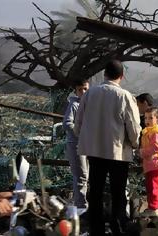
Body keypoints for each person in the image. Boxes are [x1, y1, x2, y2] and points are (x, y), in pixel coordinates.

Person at [74, 60, 141, 236]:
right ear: (121, 76)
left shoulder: (90, 94)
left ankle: (96, 230)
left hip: (94, 151)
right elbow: (133, 127)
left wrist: (85, 138)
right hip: (117, 152)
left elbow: (78, 123)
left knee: (95, 190)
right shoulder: (124, 96)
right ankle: (117, 227)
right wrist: (135, 144)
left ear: (104, 74)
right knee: (118, 192)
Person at [136, 93, 158, 211]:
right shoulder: (150, 128)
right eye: (146, 118)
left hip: (155, 161)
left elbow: (156, 146)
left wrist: (142, 153)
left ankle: (154, 207)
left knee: (154, 186)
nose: (147, 120)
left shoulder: (155, 129)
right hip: (155, 161)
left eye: (150, 118)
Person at [63, 80, 89, 210]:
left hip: (88, 145)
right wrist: (81, 132)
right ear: (75, 91)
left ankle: (82, 204)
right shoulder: (74, 105)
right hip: (76, 145)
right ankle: (81, 207)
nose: (83, 92)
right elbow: (67, 124)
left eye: (85, 89)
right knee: (81, 176)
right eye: (80, 90)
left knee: (86, 176)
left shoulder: (90, 104)